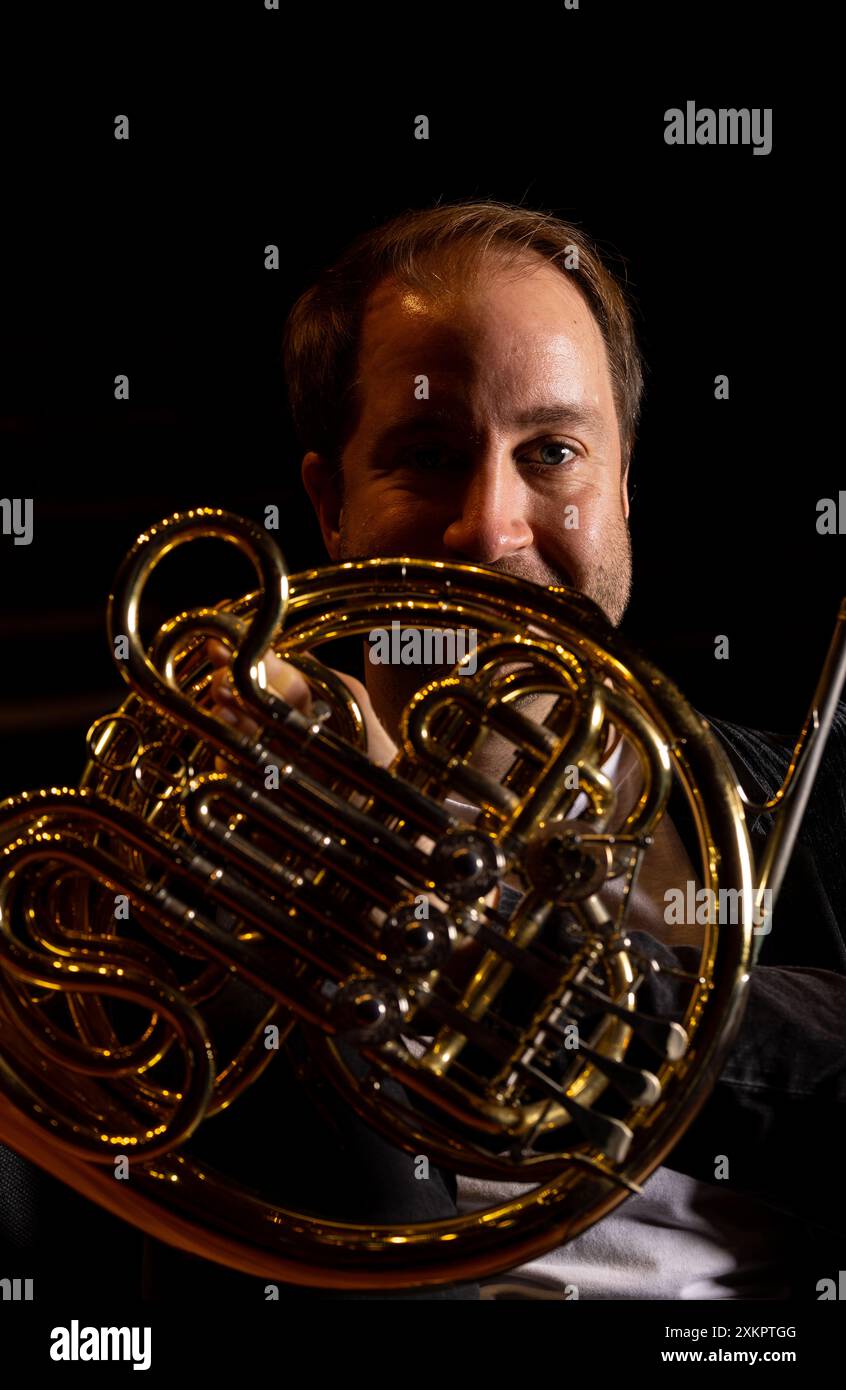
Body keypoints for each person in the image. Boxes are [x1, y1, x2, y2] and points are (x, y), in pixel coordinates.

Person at [2, 201, 844, 1302]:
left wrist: (481, 957)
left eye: (551, 452)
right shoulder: (189, 858)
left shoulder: (811, 809)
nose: (491, 528)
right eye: (429, 456)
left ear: (624, 483)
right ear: (330, 507)